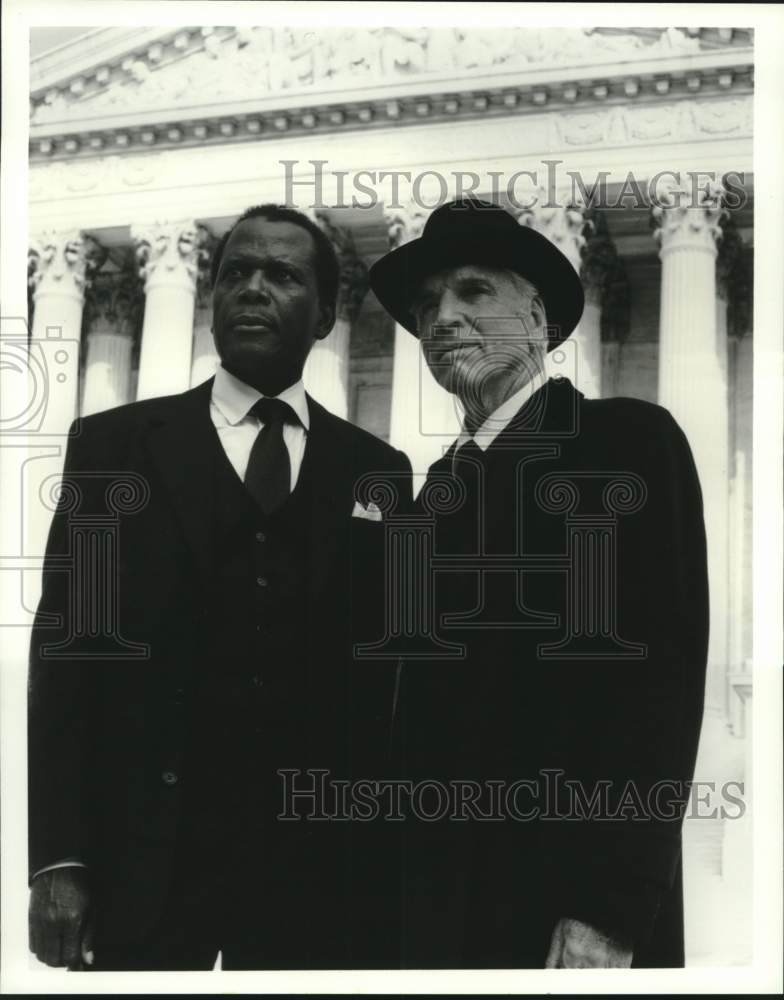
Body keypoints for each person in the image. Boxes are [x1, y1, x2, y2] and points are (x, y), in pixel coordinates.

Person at [28, 204, 412, 971]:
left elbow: (388, 690)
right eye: (235, 273)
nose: (252, 290)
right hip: (147, 868)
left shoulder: (381, 471)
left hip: (316, 881)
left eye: (281, 276)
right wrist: (59, 858)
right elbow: (68, 659)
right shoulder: (113, 448)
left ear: (328, 315)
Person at [369, 197, 709, 969]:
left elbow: (660, 688)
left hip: (568, 912)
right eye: (426, 306)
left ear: (539, 317)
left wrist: (611, 910)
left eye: (473, 292)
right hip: (437, 914)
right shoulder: (432, 494)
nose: (442, 319)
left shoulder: (626, 444)